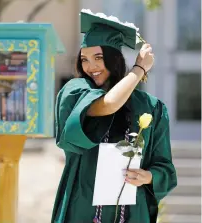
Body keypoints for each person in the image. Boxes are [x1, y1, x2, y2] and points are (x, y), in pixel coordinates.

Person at [51, 9, 177, 223]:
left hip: (131, 213)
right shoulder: (75, 92)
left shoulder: (151, 107)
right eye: (84, 60)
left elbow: (165, 168)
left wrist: (149, 176)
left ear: (114, 59)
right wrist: (139, 69)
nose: (90, 67)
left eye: (98, 57)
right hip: (82, 208)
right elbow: (108, 104)